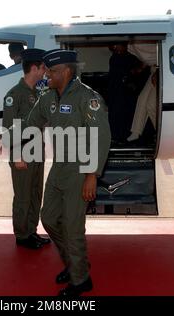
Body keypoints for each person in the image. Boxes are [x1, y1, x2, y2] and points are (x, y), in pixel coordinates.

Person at [25, 50, 111, 296]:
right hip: (59, 167)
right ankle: (76, 263)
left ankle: (81, 280)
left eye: (51, 72)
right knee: (49, 219)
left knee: (73, 228)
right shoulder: (48, 97)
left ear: (66, 72)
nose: (46, 76)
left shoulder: (88, 98)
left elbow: (101, 137)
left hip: (80, 170)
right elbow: (30, 124)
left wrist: (92, 174)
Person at [2, 48, 51, 250]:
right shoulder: (14, 95)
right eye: (43, 67)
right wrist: (16, 156)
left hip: (37, 152)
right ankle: (22, 235)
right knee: (22, 197)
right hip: (23, 154)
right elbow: (8, 130)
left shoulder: (37, 93)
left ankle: (31, 231)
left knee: (35, 194)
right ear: (34, 68)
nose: (45, 71)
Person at [106, 42, 144, 143]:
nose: (115, 48)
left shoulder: (134, 57)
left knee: (129, 114)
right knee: (115, 113)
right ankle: (115, 137)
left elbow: (140, 70)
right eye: (114, 47)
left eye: (117, 46)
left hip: (130, 92)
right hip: (116, 91)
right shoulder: (114, 58)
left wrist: (133, 74)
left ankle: (126, 137)